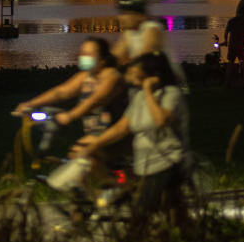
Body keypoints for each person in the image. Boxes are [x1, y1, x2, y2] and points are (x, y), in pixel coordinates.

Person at [76, 52, 189, 221]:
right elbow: (123, 127)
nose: (134, 82)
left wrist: (148, 92)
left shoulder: (171, 94)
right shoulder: (139, 96)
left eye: (139, 77)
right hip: (145, 166)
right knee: (169, 216)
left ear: (153, 76)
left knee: (141, 215)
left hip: (166, 164)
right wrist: (95, 144)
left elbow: (161, 120)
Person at [14, 37, 127, 204]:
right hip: (95, 134)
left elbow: (94, 101)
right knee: (77, 167)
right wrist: (30, 104)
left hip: (116, 134)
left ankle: (114, 188)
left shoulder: (112, 77)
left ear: (103, 59)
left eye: (89, 54)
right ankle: (83, 209)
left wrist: (70, 116)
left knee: (79, 151)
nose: (84, 57)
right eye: (82, 53)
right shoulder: (86, 76)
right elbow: (62, 92)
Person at [223, 3, 244, 87]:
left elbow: (226, 32)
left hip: (232, 45)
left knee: (230, 64)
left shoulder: (232, 21)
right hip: (242, 46)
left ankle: (227, 83)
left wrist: (226, 41)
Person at [110, 0, 148, 65]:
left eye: (125, 13)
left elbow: (147, 59)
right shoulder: (129, 32)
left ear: (140, 16)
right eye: (121, 13)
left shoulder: (151, 28)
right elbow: (115, 58)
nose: (119, 18)